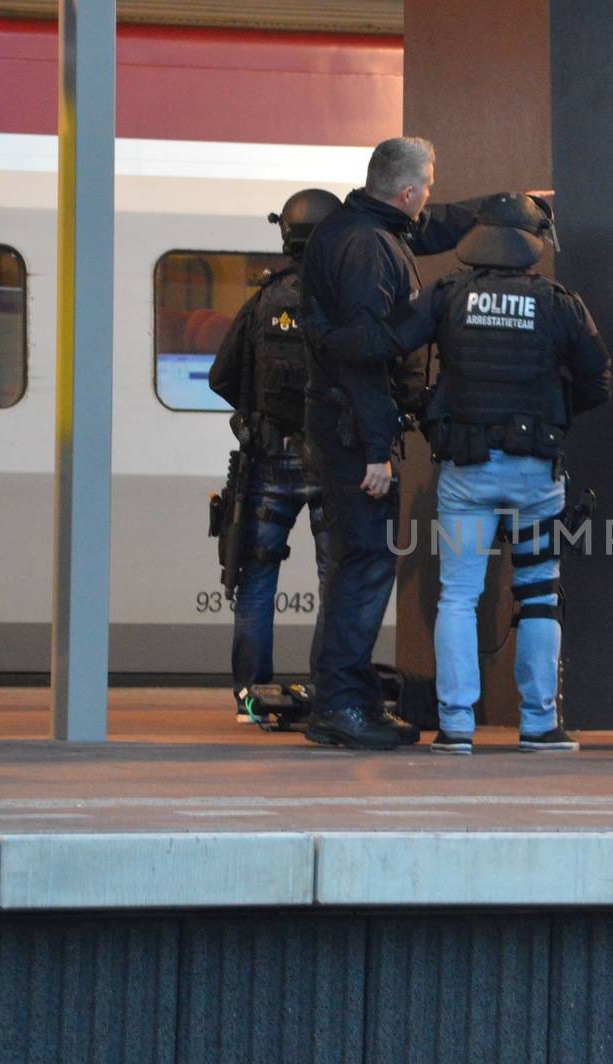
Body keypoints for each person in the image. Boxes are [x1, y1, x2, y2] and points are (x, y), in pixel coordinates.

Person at [378, 193, 611, 755]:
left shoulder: (446, 296)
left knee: (457, 597)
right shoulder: (559, 303)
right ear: (532, 242)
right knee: (538, 595)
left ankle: (456, 725)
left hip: (467, 470)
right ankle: (539, 724)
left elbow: (389, 343)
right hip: (536, 474)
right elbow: (597, 383)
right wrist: (547, 417)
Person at [297, 136, 487, 751]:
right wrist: (378, 449)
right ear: (406, 192)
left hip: (347, 426)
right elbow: (361, 359)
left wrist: (502, 207)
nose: (428, 199)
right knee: (365, 565)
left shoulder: (367, 226)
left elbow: (430, 230)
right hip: (354, 432)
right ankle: (343, 706)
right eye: (426, 188)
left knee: (358, 565)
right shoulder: (366, 249)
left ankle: (342, 701)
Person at [207, 188, 340, 721]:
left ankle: (249, 697)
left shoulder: (264, 299)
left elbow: (221, 376)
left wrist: (256, 411)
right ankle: (329, 691)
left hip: (267, 461)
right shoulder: (343, 299)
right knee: (337, 576)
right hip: (332, 460)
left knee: (257, 577)